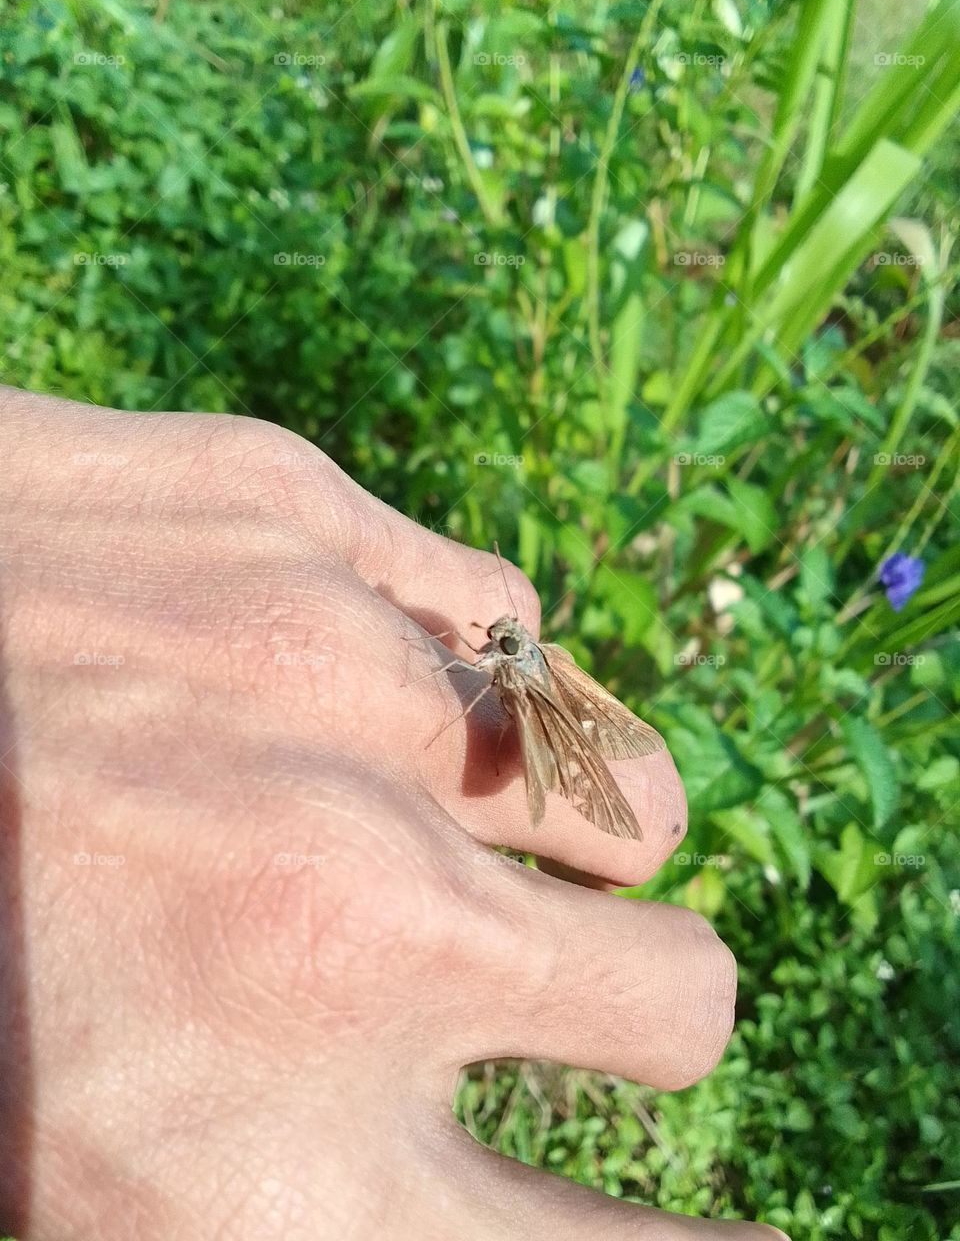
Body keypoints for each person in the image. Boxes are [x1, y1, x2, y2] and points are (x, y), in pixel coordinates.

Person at [0, 386, 787, 1239]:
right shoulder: (506, 650)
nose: (495, 637)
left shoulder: (520, 667)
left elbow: (496, 679)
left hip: (528, 745)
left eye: (502, 640)